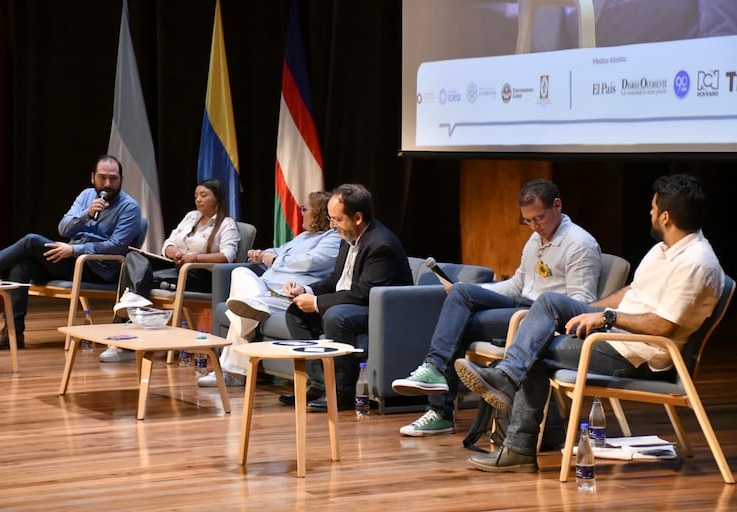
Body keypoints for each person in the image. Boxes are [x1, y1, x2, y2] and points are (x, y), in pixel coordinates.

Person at [454, 174, 724, 473]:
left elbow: (664, 327)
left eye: (652, 208)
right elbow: (632, 292)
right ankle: (507, 381)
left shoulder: (696, 263)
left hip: (636, 355)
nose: (649, 213)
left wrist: (608, 318)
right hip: (617, 336)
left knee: (535, 351)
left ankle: (517, 445)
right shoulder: (665, 250)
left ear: (665, 216)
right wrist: (588, 311)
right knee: (550, 302)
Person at [391, 178, 601, 436]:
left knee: (459, 325)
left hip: (540, 319)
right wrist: (479, 291)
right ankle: (434, 371)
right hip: (521, 304)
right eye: (528, 221)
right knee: (460, 292)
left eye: (539, 218)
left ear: (557, 205)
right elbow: (516, 285)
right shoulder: (535, 239)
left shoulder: (580, 243)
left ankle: (440, 411)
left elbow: (583, 303)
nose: (534, 226)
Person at [0, 154, 142, 351]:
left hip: (98, 268)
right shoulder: (86, 196)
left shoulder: (130, 208)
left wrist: (74, 250)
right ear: (93, 177)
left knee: (32, 240)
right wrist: (86, 214)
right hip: (72, 260)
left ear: (121, 179)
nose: (108, 184)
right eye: (103, 177)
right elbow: (64, 229)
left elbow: (116, 246)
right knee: (22, 267)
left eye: (113, 178)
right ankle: (12, 334)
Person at [280, 183, 413, 411]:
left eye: (337, 219)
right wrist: (306, 291)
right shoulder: (348, 236)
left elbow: (364, 293)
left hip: (383, 311)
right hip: (359, 302)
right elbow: (335, 280)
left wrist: (318, 303)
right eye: (331, 219)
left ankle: (342, 395)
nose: (332, 225)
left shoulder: (381, 244)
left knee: (336, 317)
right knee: (296, 313)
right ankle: (318, 385)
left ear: (358, 217)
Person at [196, 191, 341, 387]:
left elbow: (311, 262)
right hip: (264, 290)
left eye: (304, 209)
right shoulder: (303, 237)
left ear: (319, 213)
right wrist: (262, 254)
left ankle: (234, 372)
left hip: (284, 295)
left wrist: (275, 260)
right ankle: (254, 304)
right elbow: (278, 251)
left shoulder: (332, 238)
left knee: (241, 309)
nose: (301, 213)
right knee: (240, 272)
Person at [99, 178, 240, 363]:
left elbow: (227, 256)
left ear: (217, 199)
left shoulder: (227, 224)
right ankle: (129, 317)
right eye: (196, 195)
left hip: (200, 276)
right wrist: (175, 253)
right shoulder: (191, 217)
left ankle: (122, 341)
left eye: (204, 195)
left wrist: (193, 258)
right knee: (134, 256)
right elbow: (169, 243)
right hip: (177, 267)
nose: (198, 199)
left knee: (137, 282)